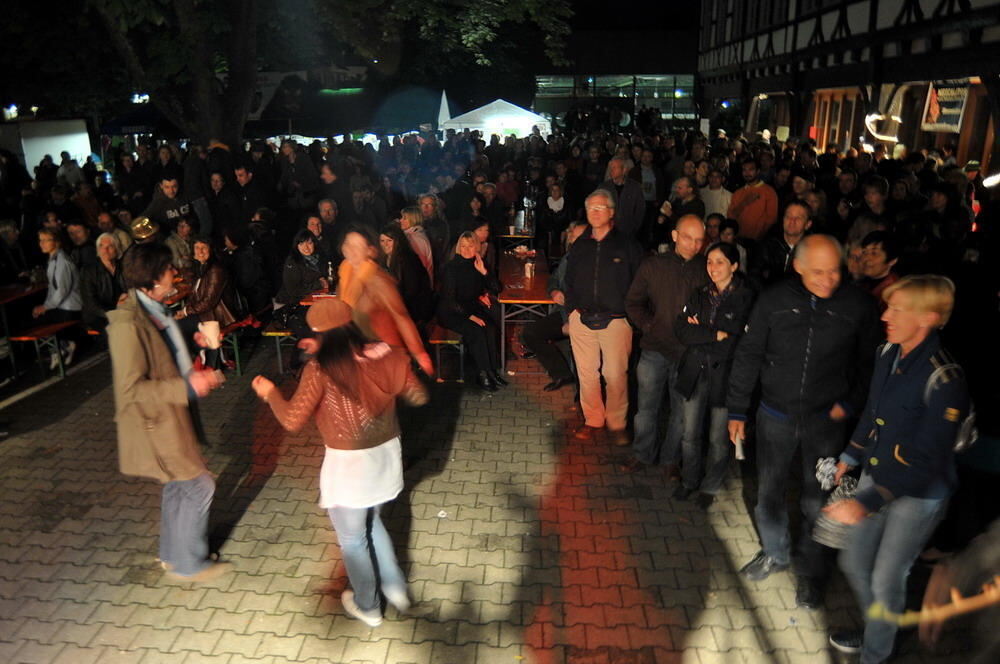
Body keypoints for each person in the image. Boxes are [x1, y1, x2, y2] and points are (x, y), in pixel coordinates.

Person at [251, 298, 428, 626]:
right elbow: (418, 394)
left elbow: (292, 420)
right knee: (372, 524)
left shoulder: (320, 368)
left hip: (350, 465)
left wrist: (271, 392)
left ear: (319, 334)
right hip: (386, 456)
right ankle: (396, 589)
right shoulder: (382, 352)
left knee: (352, 539)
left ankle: (369, 606)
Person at [727, 234, 881, 609]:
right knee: (770, 493)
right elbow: (749, 354)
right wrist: (736, 409)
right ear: (797, 266)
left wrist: (850, 403)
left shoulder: (857, 305)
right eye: (818, 272)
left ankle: (812, 574)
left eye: (834, 272)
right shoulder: (774, 300)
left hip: (825, 424)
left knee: (818, 502)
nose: (828, 280)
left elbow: (871, 364)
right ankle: (775, 553)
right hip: (774, 417)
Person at [825, 275, 970, 662]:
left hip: (918, 494)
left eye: (897, 308)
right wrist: (849, 457)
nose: (885, 314)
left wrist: (865, 501)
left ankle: (877, 652)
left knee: (887, 576)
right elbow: (873, 414)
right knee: (853, 560)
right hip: (878, 472)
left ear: (928, 317)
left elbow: (927, 461)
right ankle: (881, 626)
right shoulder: (888, 351)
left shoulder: (945, 379)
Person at [107, 242, 228, 582]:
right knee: (199, 486)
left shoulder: (154, 307)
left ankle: (172, 554)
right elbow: (131, 390)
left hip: (172, 416)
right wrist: (188, 387)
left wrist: (193, 342)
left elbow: (162, 350)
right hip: (156, 423)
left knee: (178, 485)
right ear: (151, 281)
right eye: (167, 269)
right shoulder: (126, 325)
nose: (173, 272)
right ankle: (189, 562)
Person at [623, 215, 709, 471]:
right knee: (646, 409)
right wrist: (650, 325)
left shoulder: (706, 269)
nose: (693, 245)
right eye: (687, 237)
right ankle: (642, 453)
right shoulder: (653, 265)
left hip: (688, 354)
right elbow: (633, 302)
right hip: (654, 349)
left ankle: (671, 458)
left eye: (699, 240)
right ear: (674, 236)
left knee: (680, 413)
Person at [673, 242, 755, 507]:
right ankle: (689, 481)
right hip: (695, 371)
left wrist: (704, 334)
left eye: (720, 262)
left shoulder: (746, 298)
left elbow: (736, 343)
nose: (713, 267)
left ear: (734, 265)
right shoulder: (700, 294)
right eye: (709, 261)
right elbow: (681, 329)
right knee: (689, 434)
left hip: (725, 378)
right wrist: (713, 334)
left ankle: (710, 486)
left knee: (718, 439)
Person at [564, 189, 643, 442]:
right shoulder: (581, 244)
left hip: (617, 319)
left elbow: (640, 282)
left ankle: (617, 423)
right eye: (590, 208)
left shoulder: (627, 244)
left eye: (600, 208)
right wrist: (572, 312)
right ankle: (593, 420)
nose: (595, 213)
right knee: (587, 374)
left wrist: (632, 315)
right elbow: (569, 279)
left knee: (615, 374)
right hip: (582, 317)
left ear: (611, 212)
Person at [338, 229, 432, 377]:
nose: (350, 249)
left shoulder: (378, 280)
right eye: (348, 243)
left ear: (371, 251)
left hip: (382, 351)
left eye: (357, 245)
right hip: (358, 349)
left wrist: (419, 353)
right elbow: (341, 313)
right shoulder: (345, 272)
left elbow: (401, 316)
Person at [520, 220, 587, 392]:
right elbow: (553, 279)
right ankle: (561, 373)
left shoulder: (590, 262)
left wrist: (571, 321)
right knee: (530, 333)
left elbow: (586, 295)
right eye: (572, 234)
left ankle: (582, 394)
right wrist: (554, 291)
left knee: (580, 347)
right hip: (564, 313)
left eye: (578, 235)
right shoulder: (569, 256)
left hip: (583, 317)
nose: (573, 237)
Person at [437, 231, 502, 391]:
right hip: (451, 312)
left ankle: (492, 370)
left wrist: (484, 272)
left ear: (477, 247)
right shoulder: (451, 268)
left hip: (470, 306)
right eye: (463, 246)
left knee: (491, 327)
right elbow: (450, 301)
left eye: (470, 246)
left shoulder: (478, 263)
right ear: (459, 247)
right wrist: (471, 317)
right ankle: (482, 373)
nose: (466, 250)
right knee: (477, 330)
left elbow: (497, 288)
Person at [32, 228, 82, 368]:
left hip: (69, 308)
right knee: (37, 316)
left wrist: (46, 306)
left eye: (45, 240)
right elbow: (52, 289)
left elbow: (62, 290)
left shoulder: (62, 261)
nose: (41, 243)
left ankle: (63, 346)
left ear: (57, 242)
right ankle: (60, 347)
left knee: (39, 321)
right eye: (40, 240)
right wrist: (45, 305)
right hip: (62, 306)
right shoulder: (53, 260)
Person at [378, 224, 432, 326]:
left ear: (398, 241)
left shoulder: (408, 260)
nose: (385, 244)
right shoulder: (384, 259)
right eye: (382, 241)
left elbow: (412, 291)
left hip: (412, 309)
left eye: (389, 240)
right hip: (396, 306)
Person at [759, 200, 812, 286]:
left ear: (808, 224)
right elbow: (755, 275)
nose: (792, 221)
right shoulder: (768, 244)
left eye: (798, 218)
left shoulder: (812, 249)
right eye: (788, 216)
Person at [80, 232, 126, 331]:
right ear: (97, 250)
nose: (105, 250)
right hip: (99, 316)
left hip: (123, 311)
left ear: (117, 249)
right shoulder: (88, 271)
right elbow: (91, 304)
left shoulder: (123, 266)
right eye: (101, 246)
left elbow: (131, 290)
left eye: (110, 246)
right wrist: (113, 314)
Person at [727, 159, 779, 240]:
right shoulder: (738, 193)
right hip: (739, 239)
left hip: (760, 241)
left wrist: (760, 238)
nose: (747, 173)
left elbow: (771, 220)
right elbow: (731, 216)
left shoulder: (769, 192)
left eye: (751, 169)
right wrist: (744, 203)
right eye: (744, 170)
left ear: (758, 171)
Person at [599, 157, 645, 239]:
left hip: (628, 232)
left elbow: (640, 209)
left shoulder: (635, 187)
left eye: (614, 168)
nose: (611, 170)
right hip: (608, 232)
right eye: (610, 168)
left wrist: (634, 226)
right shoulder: (604, 187)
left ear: (624, 170)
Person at [399, 206, 433, 286]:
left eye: (404, 218)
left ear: (413, 220)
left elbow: (419, 266)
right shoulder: (411, 235)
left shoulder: (416, 238)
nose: (400, 220)